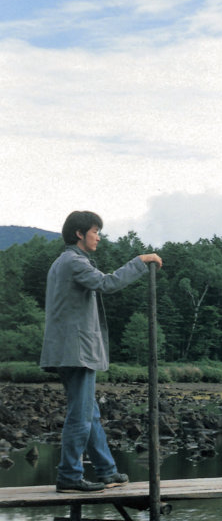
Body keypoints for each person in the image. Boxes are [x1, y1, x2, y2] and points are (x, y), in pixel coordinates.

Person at [40, 211, 162, 493]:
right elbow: (108, 283)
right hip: (76, 351)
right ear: (79, 234)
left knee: (89, 414)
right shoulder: (74, 261)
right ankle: (69, 476)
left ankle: (107, 471)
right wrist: (140, 261)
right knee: (81, 416)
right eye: (95, 232)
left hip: (70, 350)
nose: (98, 237)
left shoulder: (63, 261)